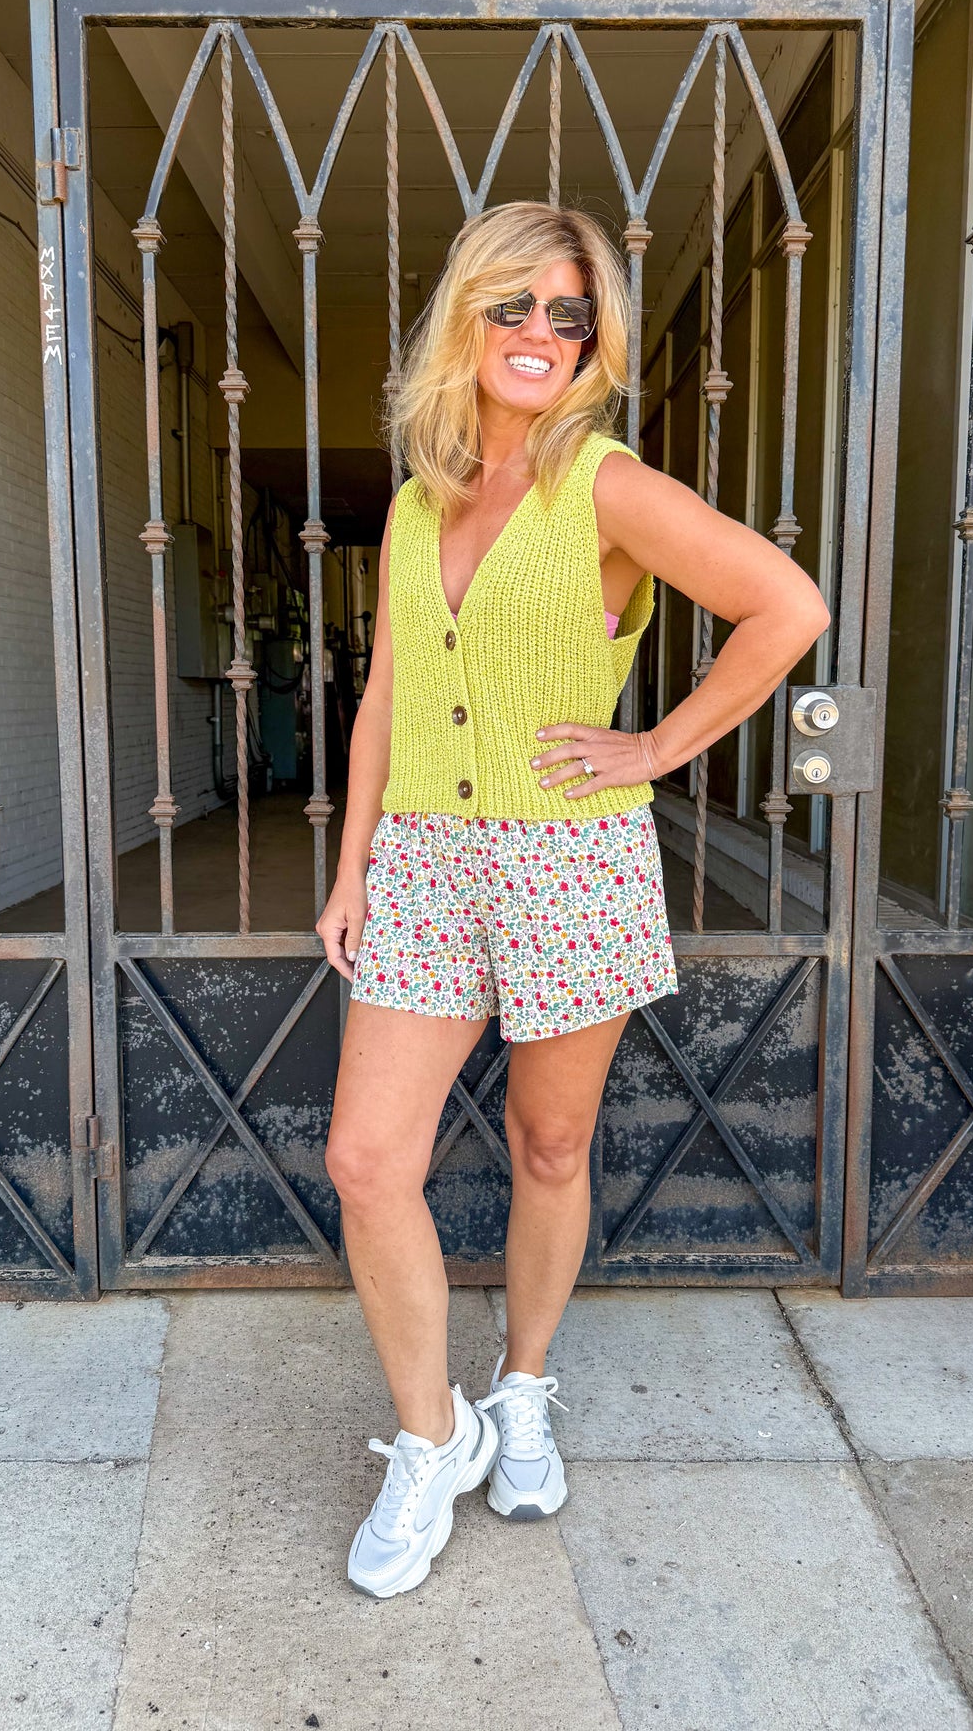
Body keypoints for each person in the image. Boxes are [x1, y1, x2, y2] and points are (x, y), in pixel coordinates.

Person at [316, 199, 830, 1599]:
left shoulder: (604, 485)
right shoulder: (415, 506)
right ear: (465, 320)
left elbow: (785, 607)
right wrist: (354, 866)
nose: (540, 332)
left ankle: (524, 1385)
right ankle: (437, 1438)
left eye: (569, 313)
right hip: (424, 861)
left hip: (569, 861)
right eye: (514, 305)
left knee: (550, 1146)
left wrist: (654, 748)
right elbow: (385, 697)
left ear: (592, 341)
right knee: (367, 1160)